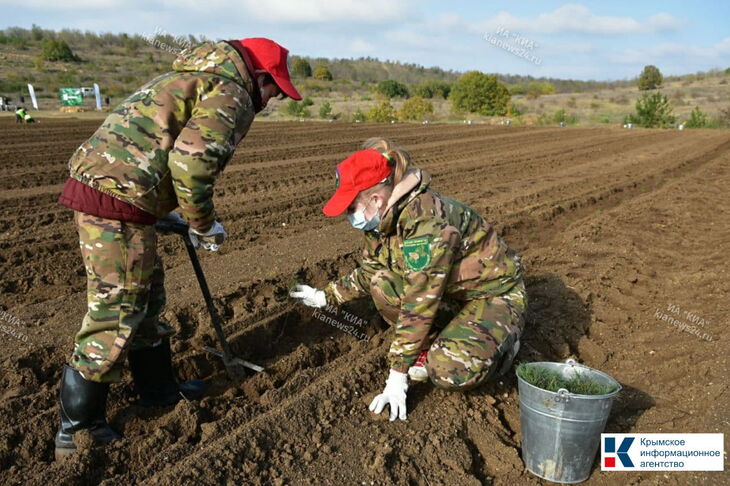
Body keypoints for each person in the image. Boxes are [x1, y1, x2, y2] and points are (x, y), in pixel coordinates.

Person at [54, 37, 301, 459]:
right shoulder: (231, 91)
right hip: (118, 202)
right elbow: (191, 162)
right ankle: (76, 431)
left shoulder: (188, 77)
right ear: (259, 76)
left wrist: (161, 210)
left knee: (147, 298)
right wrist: (201, 223)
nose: (271, 100)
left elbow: (149, 145)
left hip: (120, 195)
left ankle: (158, 391)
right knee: (117, 308)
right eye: (273, 90)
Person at [290, 139, 526, 421]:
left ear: (376, 199)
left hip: (493, 295)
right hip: (451, 293)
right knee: (383, 283)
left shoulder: (424, 223)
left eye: (351, 208)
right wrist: (325, 296)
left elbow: (420, 300)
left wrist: (397, 374)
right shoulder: (382, 221)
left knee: (450, 370)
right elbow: (371, 270)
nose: (349, 216)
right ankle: (437, 340)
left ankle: (505, 345)